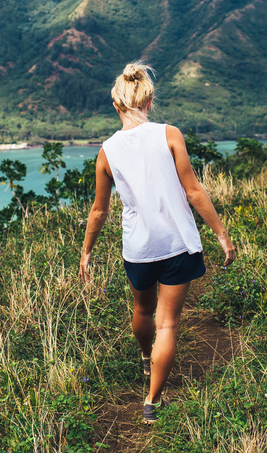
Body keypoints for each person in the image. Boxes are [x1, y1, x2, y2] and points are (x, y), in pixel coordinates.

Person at [79, 61, 236, 424]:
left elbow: (99, 211)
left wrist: (86, 253)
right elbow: (194, 192)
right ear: (149, 102)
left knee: (143, 312)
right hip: (177, 244)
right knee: (168, 324)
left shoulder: (107, 150)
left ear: (116, 106)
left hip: (138, 248)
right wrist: (222, 235)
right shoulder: (170, 134)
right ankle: (152, 401)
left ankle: (145, 357)